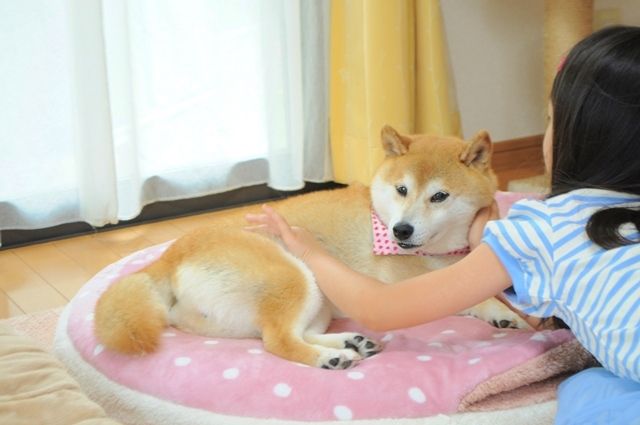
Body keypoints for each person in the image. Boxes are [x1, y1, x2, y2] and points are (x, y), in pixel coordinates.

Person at [246, 26, 640, 424]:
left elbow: (381, 309)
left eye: (550, 119)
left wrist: (309, 251)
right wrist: (489, 243)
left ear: (574, 139)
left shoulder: (545, 228)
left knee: (585, 387)